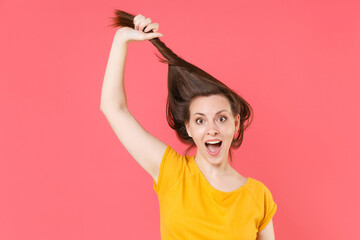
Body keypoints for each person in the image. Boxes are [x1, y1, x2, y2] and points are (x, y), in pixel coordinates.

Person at [100, 10, 277, 240]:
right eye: (200, 120)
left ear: (235, 125)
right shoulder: (172, 173)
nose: (211, 128)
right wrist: (121, 39)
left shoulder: (258, 196)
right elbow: (114, 108)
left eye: (221, 118)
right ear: (190, 128)